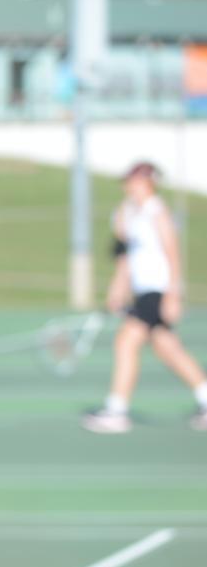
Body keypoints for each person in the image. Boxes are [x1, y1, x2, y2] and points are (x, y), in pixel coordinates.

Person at [83, 162, 207, 434]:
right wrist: (118, 288)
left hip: (158, 289)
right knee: (167, 348)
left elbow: (173, 253)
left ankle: (116, 410)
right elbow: (125, 257)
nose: (128, 185)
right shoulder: (125, 213)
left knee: (126, 341)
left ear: (148, 182)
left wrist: (174, 295)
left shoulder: (157, 211)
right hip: (141, 291)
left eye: (134, 180)